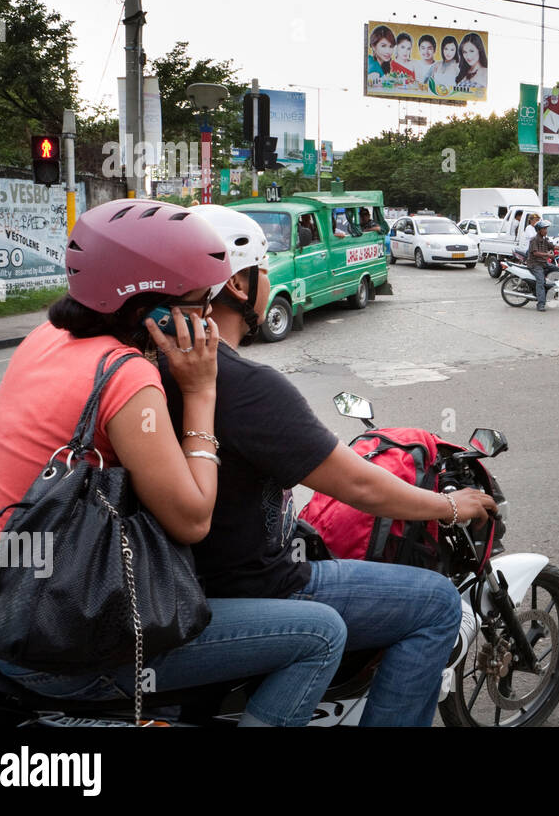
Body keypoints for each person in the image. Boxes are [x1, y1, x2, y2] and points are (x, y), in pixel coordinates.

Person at [0, 199, 348, 727]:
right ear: (153, 310)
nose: (208, 315)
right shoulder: (125, 376)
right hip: (47, 641)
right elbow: (193, 518)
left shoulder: (46, 339)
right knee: (321, 633)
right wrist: (201, 390)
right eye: (196, 302)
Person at [172, 206, 497, 726]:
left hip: (185, 582)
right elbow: (357, 485)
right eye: (265, 266)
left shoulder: (149, 367)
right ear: (237, 282)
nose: (271, 276)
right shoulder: (246, 387)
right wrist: (448, 506)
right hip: (260, 589)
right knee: (437, 603)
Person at [526, 219, 555, 311]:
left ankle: (550, 289)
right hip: (535, 264)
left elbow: (553, 247)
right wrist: (548, 255)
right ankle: (540, 304)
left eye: (546, 229)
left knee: (557, 269)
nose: (546, 231)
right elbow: (535, 253)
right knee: (540, 282)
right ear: (539, 230)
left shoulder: (544, 239)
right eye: (544, 229)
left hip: (543, 263)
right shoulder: (534, 240)